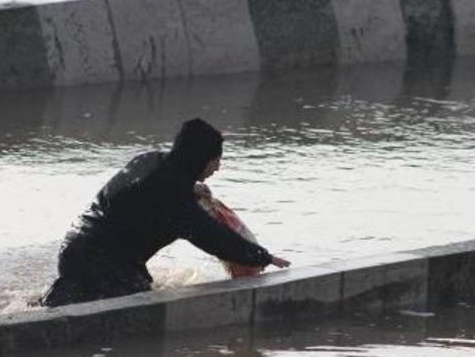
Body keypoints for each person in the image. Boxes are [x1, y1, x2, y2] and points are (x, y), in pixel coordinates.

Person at [40, 118, 291, 307]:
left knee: (63, 303)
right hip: (102, 262)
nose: (218, 168)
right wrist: (262, 256)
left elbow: (146, 192)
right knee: (140, 309)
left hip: (75, 249)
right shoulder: (175, 198)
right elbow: (213, 237)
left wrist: (190, 189)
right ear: (201, 159)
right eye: (216, 160)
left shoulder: (149, 160)